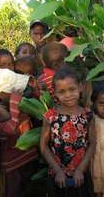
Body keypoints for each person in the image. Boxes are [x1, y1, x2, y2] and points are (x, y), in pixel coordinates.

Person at [40, 66, 96, 196]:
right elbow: (43, 146)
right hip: (57, 176)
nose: (68, 95)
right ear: (54, 93)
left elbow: (92, 143)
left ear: (80, 87)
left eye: (72, 89)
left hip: (80, 175)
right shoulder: (50, 116)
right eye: (62, 91)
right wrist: (58, 171)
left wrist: (81, 170)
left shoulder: (88, 115)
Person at [0, 69, 39, 197]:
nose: (20, 91)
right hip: (11, 163)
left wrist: (35, 90)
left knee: (29, 190)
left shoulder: (20, 102)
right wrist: (15, 100)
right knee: (12, 191)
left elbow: (39, 111)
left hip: (28, 155)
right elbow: (11, 128)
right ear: (3, 93)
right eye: (15, 89)